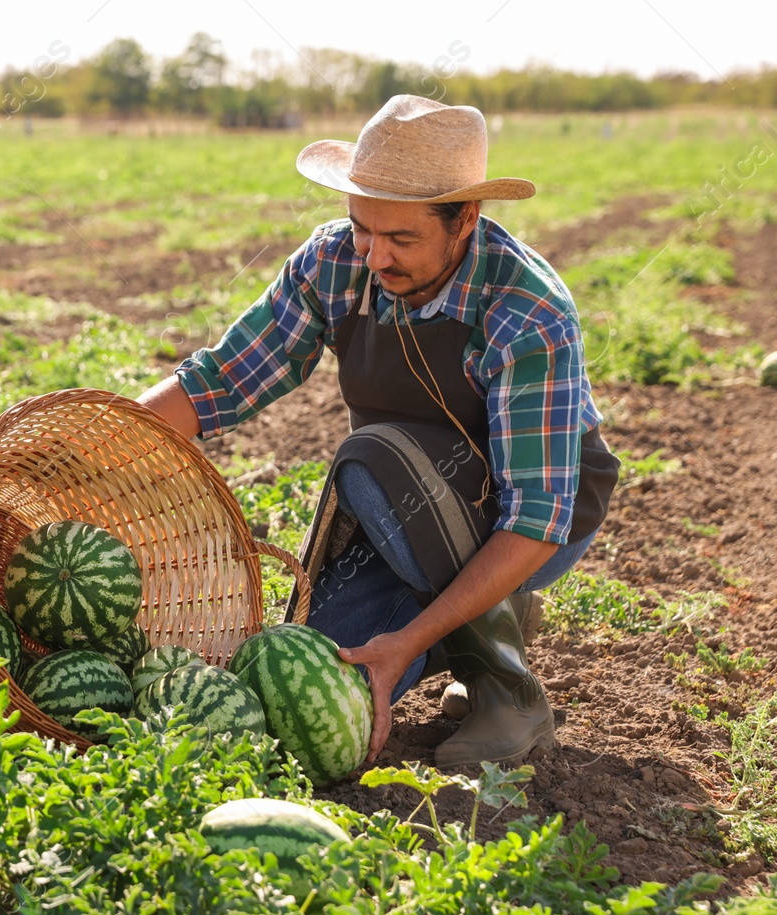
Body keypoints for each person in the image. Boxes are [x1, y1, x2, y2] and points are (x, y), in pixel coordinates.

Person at [136, 95, 618, 773]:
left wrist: (412, 638)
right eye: (364, 228)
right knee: (326, 660)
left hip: (535, 519)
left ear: (465, 221)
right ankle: (490, 617)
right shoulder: (335, 263)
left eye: (401, 239)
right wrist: (102, 440)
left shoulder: (526, 309)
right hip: (404, 508)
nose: (374, 255)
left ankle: (507, 687)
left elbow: (535, 516)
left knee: (369, 457)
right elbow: (223, 380)